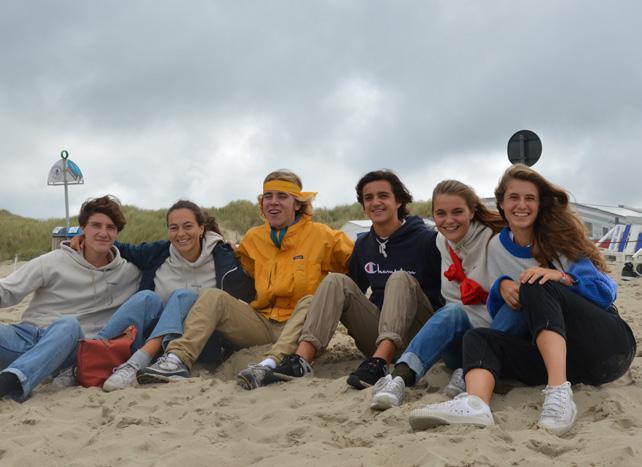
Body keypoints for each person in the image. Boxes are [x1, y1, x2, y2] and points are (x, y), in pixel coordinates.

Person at [408, 165, 636, 436]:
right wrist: (501, 287)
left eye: (530, 198)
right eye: (514, 197)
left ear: (540, 204)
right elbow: (506, 313)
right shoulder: (496, 246)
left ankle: (558, 394)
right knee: (478, 337)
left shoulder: (557, 238)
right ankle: (476, 402)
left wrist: (559, 276)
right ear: (502, 203)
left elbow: (605, 293)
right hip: (561, 360)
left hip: (606, 348)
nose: (521, 205)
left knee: (534, 284)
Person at [136, 169, 353, 383]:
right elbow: (238, 266)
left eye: (282, 196)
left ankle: (270, 365)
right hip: (262, 324)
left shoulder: (323, 235)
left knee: (311, 300)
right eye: (268, 196)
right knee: (213, 296)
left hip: (304, 327)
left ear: (297, 203)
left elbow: (355, 268)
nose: (273, 202)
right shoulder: (253, 238)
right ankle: (177, 360)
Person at [237, 170, 444, 390]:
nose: (376, 202)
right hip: (378, 332)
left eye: (383, 196)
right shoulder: (365, 244)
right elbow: (351, 292)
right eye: (368, 198)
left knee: (400, 279)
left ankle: (380, 362)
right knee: (336, 281)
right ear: (363, 206)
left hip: (421, 335)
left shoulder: (427, 240)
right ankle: (302, 360)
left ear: (399, 201)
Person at [370, 179, 526, 410]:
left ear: (472, 211)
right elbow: (454, 301)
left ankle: (469, 370)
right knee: (451, 310)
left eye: (457, 212)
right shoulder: (442, 242)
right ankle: (400, 378)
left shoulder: (495, 239)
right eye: (440, 214)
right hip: (462, 341)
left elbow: (519, 297)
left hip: (495, 339)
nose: (449, 221)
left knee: (513, 311)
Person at [76, 200, 254, 392]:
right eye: (173, 228)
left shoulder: (226, 259)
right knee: (146, 297)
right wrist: (83, 237)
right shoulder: (158, 253)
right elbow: (119, 247)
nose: (180, 234)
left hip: (199, 345)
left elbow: (247, 294)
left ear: (201, 228)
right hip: (154, 342)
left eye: (188, 226)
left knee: (184, 296)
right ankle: (90, 353)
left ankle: (136, 363)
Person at [0, 195, 141, 401]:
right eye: (96, 225)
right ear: (83, 228)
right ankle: (23, 370)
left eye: (110, 227)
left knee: (68, 325)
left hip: (70, 349)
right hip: (26, 338)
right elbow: (7, 290)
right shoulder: (53, 260)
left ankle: (10, 382)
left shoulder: (130, 273)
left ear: (117, 233)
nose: (103, 233)